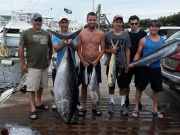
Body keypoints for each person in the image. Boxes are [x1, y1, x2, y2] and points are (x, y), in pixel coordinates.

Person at [19, 13, 53, 120]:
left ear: (42, 21)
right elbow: (21, 48)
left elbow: (50, 47)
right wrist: (23, 63)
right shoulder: (26, 33)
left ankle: (38, 103)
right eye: (36, 20)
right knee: (31, 88)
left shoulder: (46, 34)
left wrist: (49, 58)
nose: (38, 22)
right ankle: (33, 108)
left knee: (41, 86)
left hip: (44, 66)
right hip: (32, 66)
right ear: (32, 21)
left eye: (40, 20)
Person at [129, 20, 164, 118]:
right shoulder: (143, 40)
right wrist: (133, 63)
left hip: (156, 68)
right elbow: (138, 53)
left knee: (156, 89)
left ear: (158, 28)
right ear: (149, 27)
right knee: (139, 88)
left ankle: (155, 109)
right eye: (152, 26)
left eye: (156, 26)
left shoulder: (162, 40)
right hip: (144, 67)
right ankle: (136, 108)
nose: (154, 28)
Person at [77, 12, 105, 116]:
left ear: (96, 20)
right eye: (90, 20)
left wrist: (97, 61)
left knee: (95, 85)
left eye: (94, 20)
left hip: (95, 63)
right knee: (84, 85)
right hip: (84, 63)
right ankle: (83, 107)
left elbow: (102, 49)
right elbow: (78, 50)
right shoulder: (81, 33)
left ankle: (95, 106)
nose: (92, 22)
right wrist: (83, 62)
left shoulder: (100, 33)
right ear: (87, 20)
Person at [105, 15, 131, 115]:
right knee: (111, 84)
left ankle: (122, 104)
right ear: (113, 23)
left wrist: (127, 64)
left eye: (120, 22)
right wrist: (111, 50)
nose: (118, 24)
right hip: (111, 64)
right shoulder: (107, 35)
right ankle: (111, 102)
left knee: (123, 86)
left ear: (122, 23)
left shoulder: (126, 35)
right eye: (116, 22)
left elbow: (127, 50)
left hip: (122, 65)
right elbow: (104, 49)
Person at [51, 16, 78, 110]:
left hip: (72, 64)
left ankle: (75, 101)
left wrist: (71, 44)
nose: (64, 25)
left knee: (73, 85)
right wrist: (63, 44)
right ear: (59, 25)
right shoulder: (55, 36)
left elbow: (76, 49)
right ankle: (56, 100)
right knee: (58, 84)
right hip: (59, 65)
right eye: (62, 23)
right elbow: (56, 49)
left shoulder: (73, 36)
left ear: (68, 24)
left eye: (65, 23)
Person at [126, 15, 147, 108]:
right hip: (129, 62)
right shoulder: (127, 34)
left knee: (139, 84)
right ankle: (126, 98)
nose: (134, 25)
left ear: (138, 23)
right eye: (132, 23)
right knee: (126, 83)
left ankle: (138, 101)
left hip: (141, 62)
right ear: (129, 24)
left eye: (136, 23)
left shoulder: (143, 34)